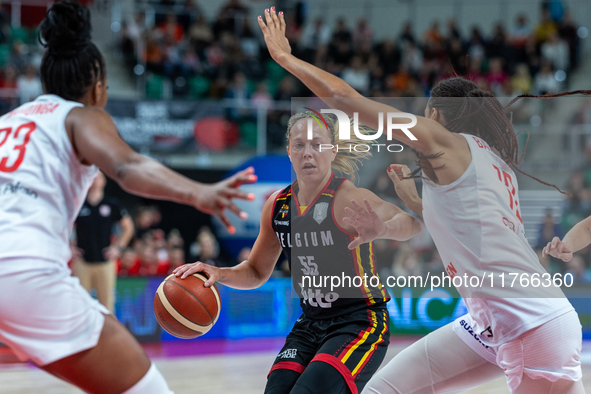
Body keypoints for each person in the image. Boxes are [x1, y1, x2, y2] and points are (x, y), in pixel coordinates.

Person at [257, 8, 584, 394]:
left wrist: (286, 58)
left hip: (529, 326)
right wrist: (416, 203)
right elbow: (472, 233)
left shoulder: (441, 140)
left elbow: (347, 99)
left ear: (434, 114)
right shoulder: (492, 164)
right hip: (492, 324)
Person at [0, 2, 256, 393]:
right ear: (99, 87)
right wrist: (199, 192)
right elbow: (127, 167)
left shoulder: (8, 123)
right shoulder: (80, 115)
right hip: (22, 272)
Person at [174, 110, 422, 393]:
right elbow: (256, 271)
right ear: (289, 151)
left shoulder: (348, 198)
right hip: (310, 323)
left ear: (332, 151)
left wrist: (383, 230)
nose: (308, 153)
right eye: (300, 145)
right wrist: (218, 273)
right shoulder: (278, 206)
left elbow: (410, 223)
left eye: (317, 144)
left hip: (359, 322)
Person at [72, 171, 134, 313]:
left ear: (104, 181)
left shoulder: (111, 204)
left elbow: (128, 227)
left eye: (98, 177)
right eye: (92, 178)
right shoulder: (78, 203)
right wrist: (69, 247)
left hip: (105, 261)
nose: (95, 180)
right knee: (80, 305)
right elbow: (64, 226)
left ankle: (105, 335)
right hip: (82, 261)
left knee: (107, 306)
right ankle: (84, 335)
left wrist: (118, 248)